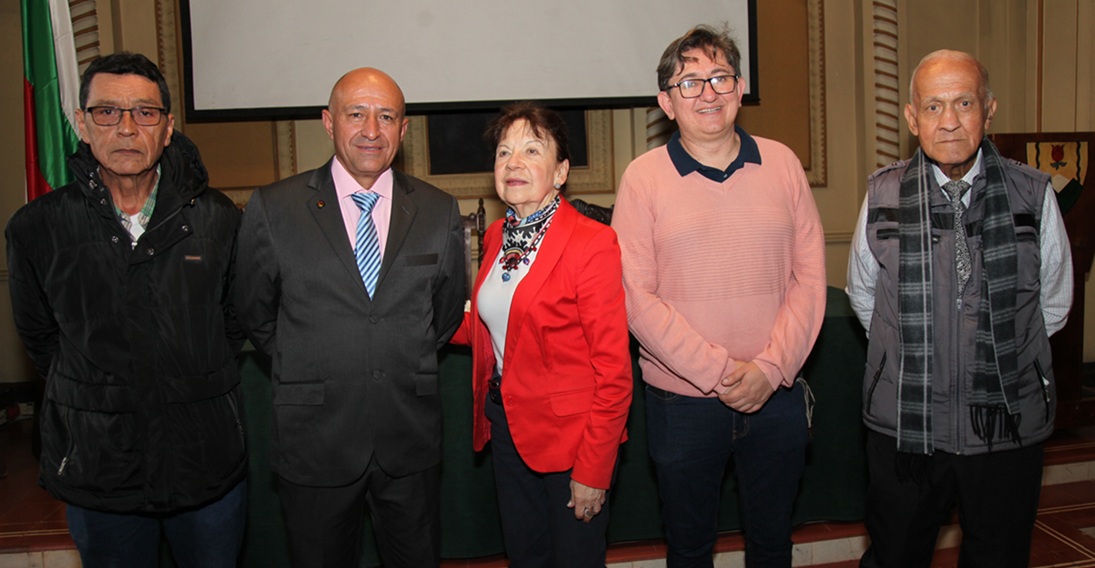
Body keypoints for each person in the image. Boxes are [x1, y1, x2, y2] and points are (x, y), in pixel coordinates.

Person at [6, 52, 246, 567]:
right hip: (99, 468)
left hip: (203, 460)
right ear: (82, 123)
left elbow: (232, 323)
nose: (127, 128)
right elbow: (42, 338)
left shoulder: (219, 218)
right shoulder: (38, 227)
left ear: (167, 127)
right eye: (108, 112)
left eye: (145, 112)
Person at [846, 49, 1073, 567]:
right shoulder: (882, 194)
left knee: (998, 556)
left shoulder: (1034, 194)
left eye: (964, 103)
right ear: (911, 117)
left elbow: (1052, 305)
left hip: (1006, 426)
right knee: (895, 555)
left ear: (988, 110)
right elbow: (865, 295)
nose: (949, 121)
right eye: (933, 106)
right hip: (905, 426)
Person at [611, 24, 827, 567]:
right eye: (690, 82)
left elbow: (810, 278)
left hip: (775, 393)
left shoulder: (782, 164)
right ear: (666, 100)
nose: (707, 92)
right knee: (689, 548)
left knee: (774, 543)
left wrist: (771, 367)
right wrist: (718, 372)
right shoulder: (642, 179)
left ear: (740, 86)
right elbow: (635, 296)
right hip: (681, 402)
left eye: (719, 77)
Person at [233, 67, 466, 568]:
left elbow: (442, 316)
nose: (371, 130)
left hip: (408, 440)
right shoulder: (274, 208)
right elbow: (255, 311)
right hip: (316, 439)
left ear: (403, 131)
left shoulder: (437, 210)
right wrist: (317, 356)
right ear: (328, 122)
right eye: (356, 114)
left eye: (386, 117)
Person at [450, 102, 632, 567]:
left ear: (561, 171)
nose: (513, 162)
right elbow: (495, 328)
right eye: (504, 152)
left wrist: (594, 469)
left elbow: (613, 374)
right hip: (508, 426)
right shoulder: (496, 237)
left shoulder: (592, 243)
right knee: (525, 557)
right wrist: (415, 318)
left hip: (572, 441)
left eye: (532, 150)